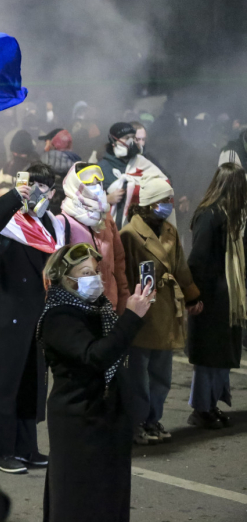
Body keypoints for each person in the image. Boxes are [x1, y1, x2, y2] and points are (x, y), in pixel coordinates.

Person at [38, 243, 155, 522]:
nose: (95, 278)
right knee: (80, 504)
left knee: (109, 500)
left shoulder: (98, 308)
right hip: (80, 426)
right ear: (65, 278)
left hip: (107, 421)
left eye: (95, 271)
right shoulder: (59, 317)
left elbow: (114, 349)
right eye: (86, 272)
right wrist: (132, 318)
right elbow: (96, 357)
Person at [0, 161, 63, 474]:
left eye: (46, 188)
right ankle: (1, 450)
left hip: (36, 316)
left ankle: (27, 447)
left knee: (31, 385)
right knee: (5, 384)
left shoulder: (48, 223)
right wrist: (14, 197)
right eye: (35, 186)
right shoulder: (9, 220)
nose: (42, 193)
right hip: (8, 314)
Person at [119, 177, 202, 444]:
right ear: (149, 203)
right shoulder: (129, 234)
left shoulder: (169, 230)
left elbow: (180, 267)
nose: (170, 204)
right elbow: (125, 275)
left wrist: (192, 297)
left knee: (162, 374)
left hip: (165, 308)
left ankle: (153, 419)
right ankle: (138, 422)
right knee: (139, 375)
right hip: (142, 311)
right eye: (165, 200)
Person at [186, 163, 245, 429]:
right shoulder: (209, 215)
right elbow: (197, 260)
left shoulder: (230, 216)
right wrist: (194, 297)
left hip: (227, 298)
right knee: (209, 357)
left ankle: (212, 405)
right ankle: (201, 408)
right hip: (210, 298)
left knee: (222, 355)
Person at [60, 163, 130, 314]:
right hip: (78, 309)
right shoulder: (64, 222)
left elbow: (118, 262)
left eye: (98, 183)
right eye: (88, 184)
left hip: (110, 306)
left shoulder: (106, 218)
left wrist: (123, 300)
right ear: (75, 185)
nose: (96, 188)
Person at [97, 122, 169, 229]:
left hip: (141, 226)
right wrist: (106, 199)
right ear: (113, 141)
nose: (131, 142)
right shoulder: (101, 168)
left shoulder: (141, 162)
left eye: (132, 137)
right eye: (126, 138)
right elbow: (86, 199)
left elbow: (163, 184)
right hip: (111, 228)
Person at [0, 130, 37, 199]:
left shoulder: (34, 167)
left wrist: (8, 191)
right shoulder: (10, 165)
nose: (17, 156)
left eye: (20, 154)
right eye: (15, 153)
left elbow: (22, 195)